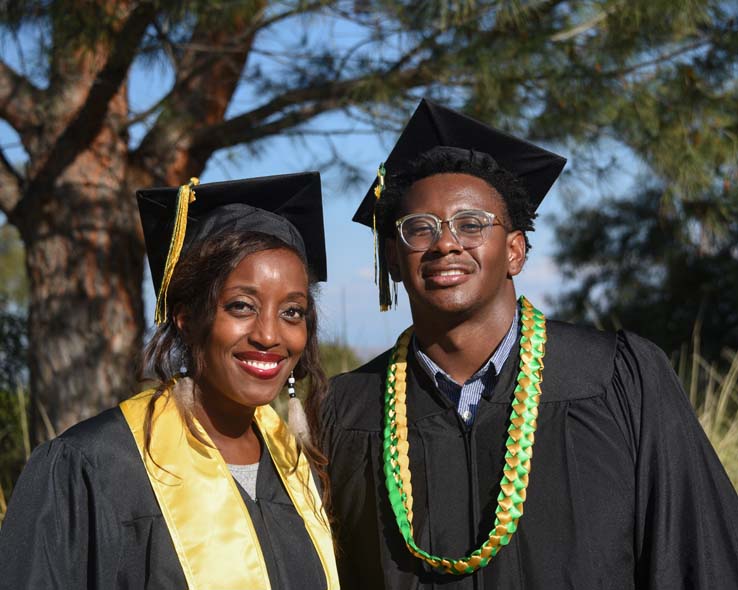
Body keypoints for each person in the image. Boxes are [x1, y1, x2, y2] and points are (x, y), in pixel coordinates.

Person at [321, 99, 738, 589]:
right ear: (392, 257)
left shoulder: (618, 379)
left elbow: (697, 556)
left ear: (515, 250)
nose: (445, 243)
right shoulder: (345, 412)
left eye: (472, 224)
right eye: (420, 229)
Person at [0, 174, 340, 589]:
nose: (269, 336)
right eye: (241, 306)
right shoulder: (94, 466)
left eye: (292, 312)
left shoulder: (298, 465)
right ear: (185, 315)